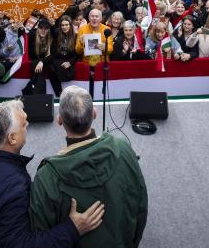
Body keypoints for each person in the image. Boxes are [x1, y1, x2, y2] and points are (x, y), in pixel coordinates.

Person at [0, 100, 104, 248]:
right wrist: (73, 228)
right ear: (12, 138)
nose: (28, 125)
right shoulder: (14, 188)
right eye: (24, 125)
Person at [29, 86, 148, 247]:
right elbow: (141, 204)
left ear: (59, 120)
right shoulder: (123, 148)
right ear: (94, 113)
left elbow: (39, 236)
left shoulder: (46, 177)